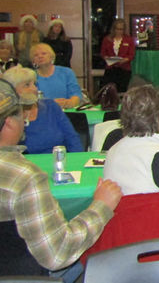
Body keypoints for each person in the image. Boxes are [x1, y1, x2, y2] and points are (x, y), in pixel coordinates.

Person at [0, 78, 122, 279]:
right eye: (22, 114)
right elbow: (58, 254)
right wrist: (101, 206)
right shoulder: (23, 176)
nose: (25, 119)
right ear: (9, 123)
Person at [3, 65, 83, 154]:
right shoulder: (6, 114)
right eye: (27, 85)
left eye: (35, 84)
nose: (34, 89)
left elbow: (72, 138)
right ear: (11, 91)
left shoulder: (51, 106)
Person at [31, 43, 81, 109]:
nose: (40, 56)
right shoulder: (31, 76)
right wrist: (51, 104)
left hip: (66, 112)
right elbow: (30, 100)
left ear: (51, 56)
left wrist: (70, 103)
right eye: (36, 55)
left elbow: (76, 94)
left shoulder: (66, 72)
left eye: (44, 53)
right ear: (33, 61)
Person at [100, 18, 136, 93]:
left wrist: (124, 60)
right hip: (111, 69)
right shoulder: (107, 39)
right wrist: (107, 58)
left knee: (122, 90)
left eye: (121, 29)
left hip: (124, 69)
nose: (119, 31)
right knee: (109, 90)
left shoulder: (129, 40)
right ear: (114, 29)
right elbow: (103, 53)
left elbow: (131, 54)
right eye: (117, 29)